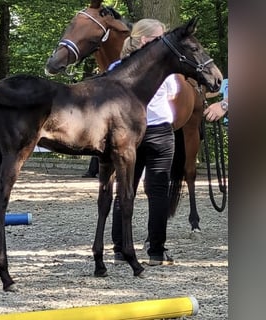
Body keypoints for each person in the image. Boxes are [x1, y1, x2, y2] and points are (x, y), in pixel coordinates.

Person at [110, 18, 178, 266]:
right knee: (158, 191)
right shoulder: (163, 68)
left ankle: (119, 248)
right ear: (144, 40)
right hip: (159, 129)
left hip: (127, 133)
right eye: (158, 38)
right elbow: (172, 93)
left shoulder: (117, 66)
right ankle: (156, 251)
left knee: (125, 188)